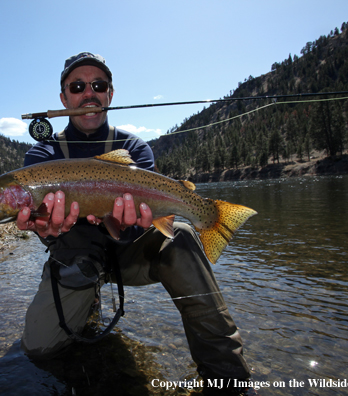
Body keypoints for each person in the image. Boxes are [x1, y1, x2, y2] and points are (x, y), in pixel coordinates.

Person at [16, 52, 252, 394]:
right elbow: (40, 220)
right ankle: (88, 299)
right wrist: (45, 229)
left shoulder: (133, 148)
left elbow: (150, 218)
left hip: (129, 257)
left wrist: (133, 225)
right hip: (75, 261)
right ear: (64, 97)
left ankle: (230, 379)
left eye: (98, 85)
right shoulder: (43, 156)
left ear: (110, 94)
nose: (89, 93)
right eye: (78, 86)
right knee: (39, 350)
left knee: (182, 236)